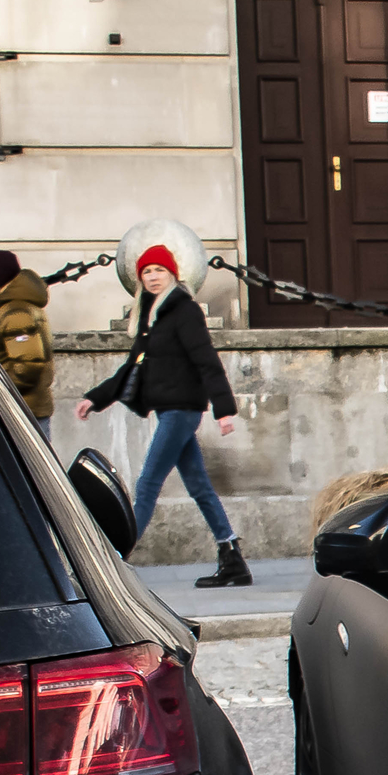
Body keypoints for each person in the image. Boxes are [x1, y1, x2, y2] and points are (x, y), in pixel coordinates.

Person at [75, 244, 247, 587]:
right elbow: (131, 369)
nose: (153, 277)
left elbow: (206, 360)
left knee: (148, 483)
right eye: (147, 272)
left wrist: (223, 410)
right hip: (171, 409)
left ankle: (115, 561)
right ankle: (232, 558)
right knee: (198, 485)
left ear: (172, 274)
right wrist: (94, 399)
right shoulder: (152, 316)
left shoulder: (183, 311)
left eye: (159, 271)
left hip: (183, 411)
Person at [0, 249, 54, 444]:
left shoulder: (17, 313)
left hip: (20, 414)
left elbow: (28, 367)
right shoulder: (8, 311)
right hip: (18, 411)